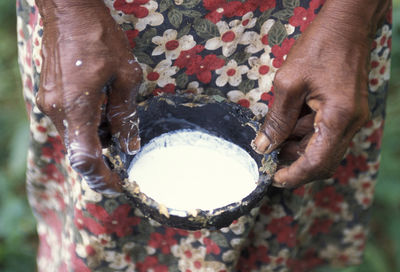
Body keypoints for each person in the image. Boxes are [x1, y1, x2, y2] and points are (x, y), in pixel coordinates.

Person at [17, 0, 391, 270]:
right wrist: (66, 13)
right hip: (97, 27)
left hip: (312, 32)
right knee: (104, 211)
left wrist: (351, 18)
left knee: (297, 167)